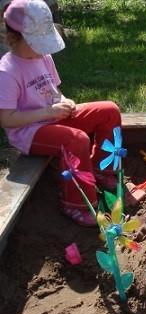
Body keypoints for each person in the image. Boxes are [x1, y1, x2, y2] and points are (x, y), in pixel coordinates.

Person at [0, 0, 121, 226]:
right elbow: (7, 119)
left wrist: (65, 102)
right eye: (37, 43)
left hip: (53, 116)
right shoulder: (7, 71)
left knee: (109, 110)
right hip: (30, 131)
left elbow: (54, 91)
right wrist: (48, 111)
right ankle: (76, 203)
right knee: (76, 141)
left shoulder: (43, 57)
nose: (43, 49)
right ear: (15, 38)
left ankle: (102, 169)